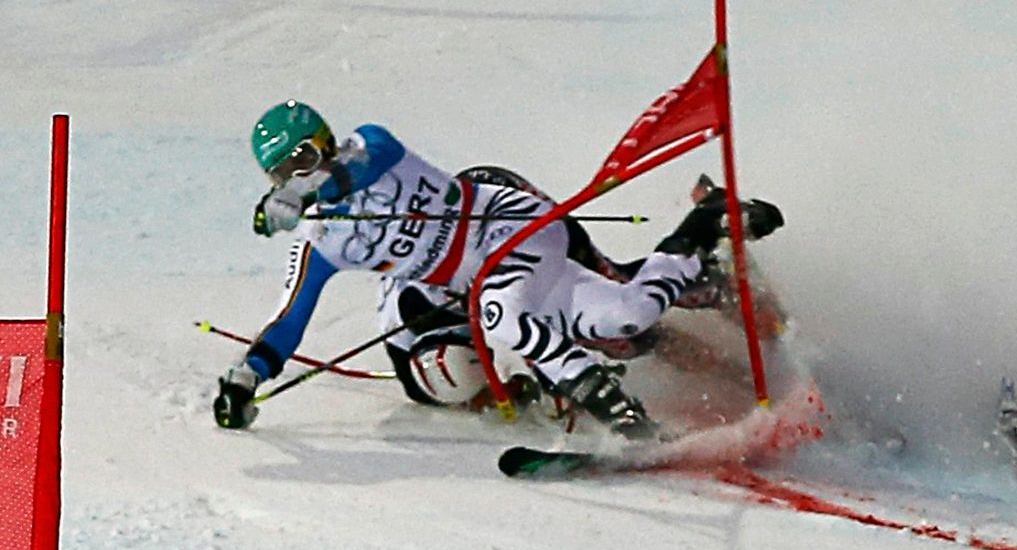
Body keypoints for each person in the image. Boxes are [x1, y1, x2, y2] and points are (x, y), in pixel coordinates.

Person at [213, 100, 783, 438]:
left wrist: (314, 186)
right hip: (483, 275)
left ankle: (617, 404)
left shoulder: (370, 146)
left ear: (326, 142)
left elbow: (366, 162)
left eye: (307, 157)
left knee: (507, 311)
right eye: (286, 173)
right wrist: (245, 379)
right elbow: (289, 322)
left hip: (505, 219)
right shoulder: (320, 241)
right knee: (621, 322)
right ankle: (703, 249)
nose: (301, 176)